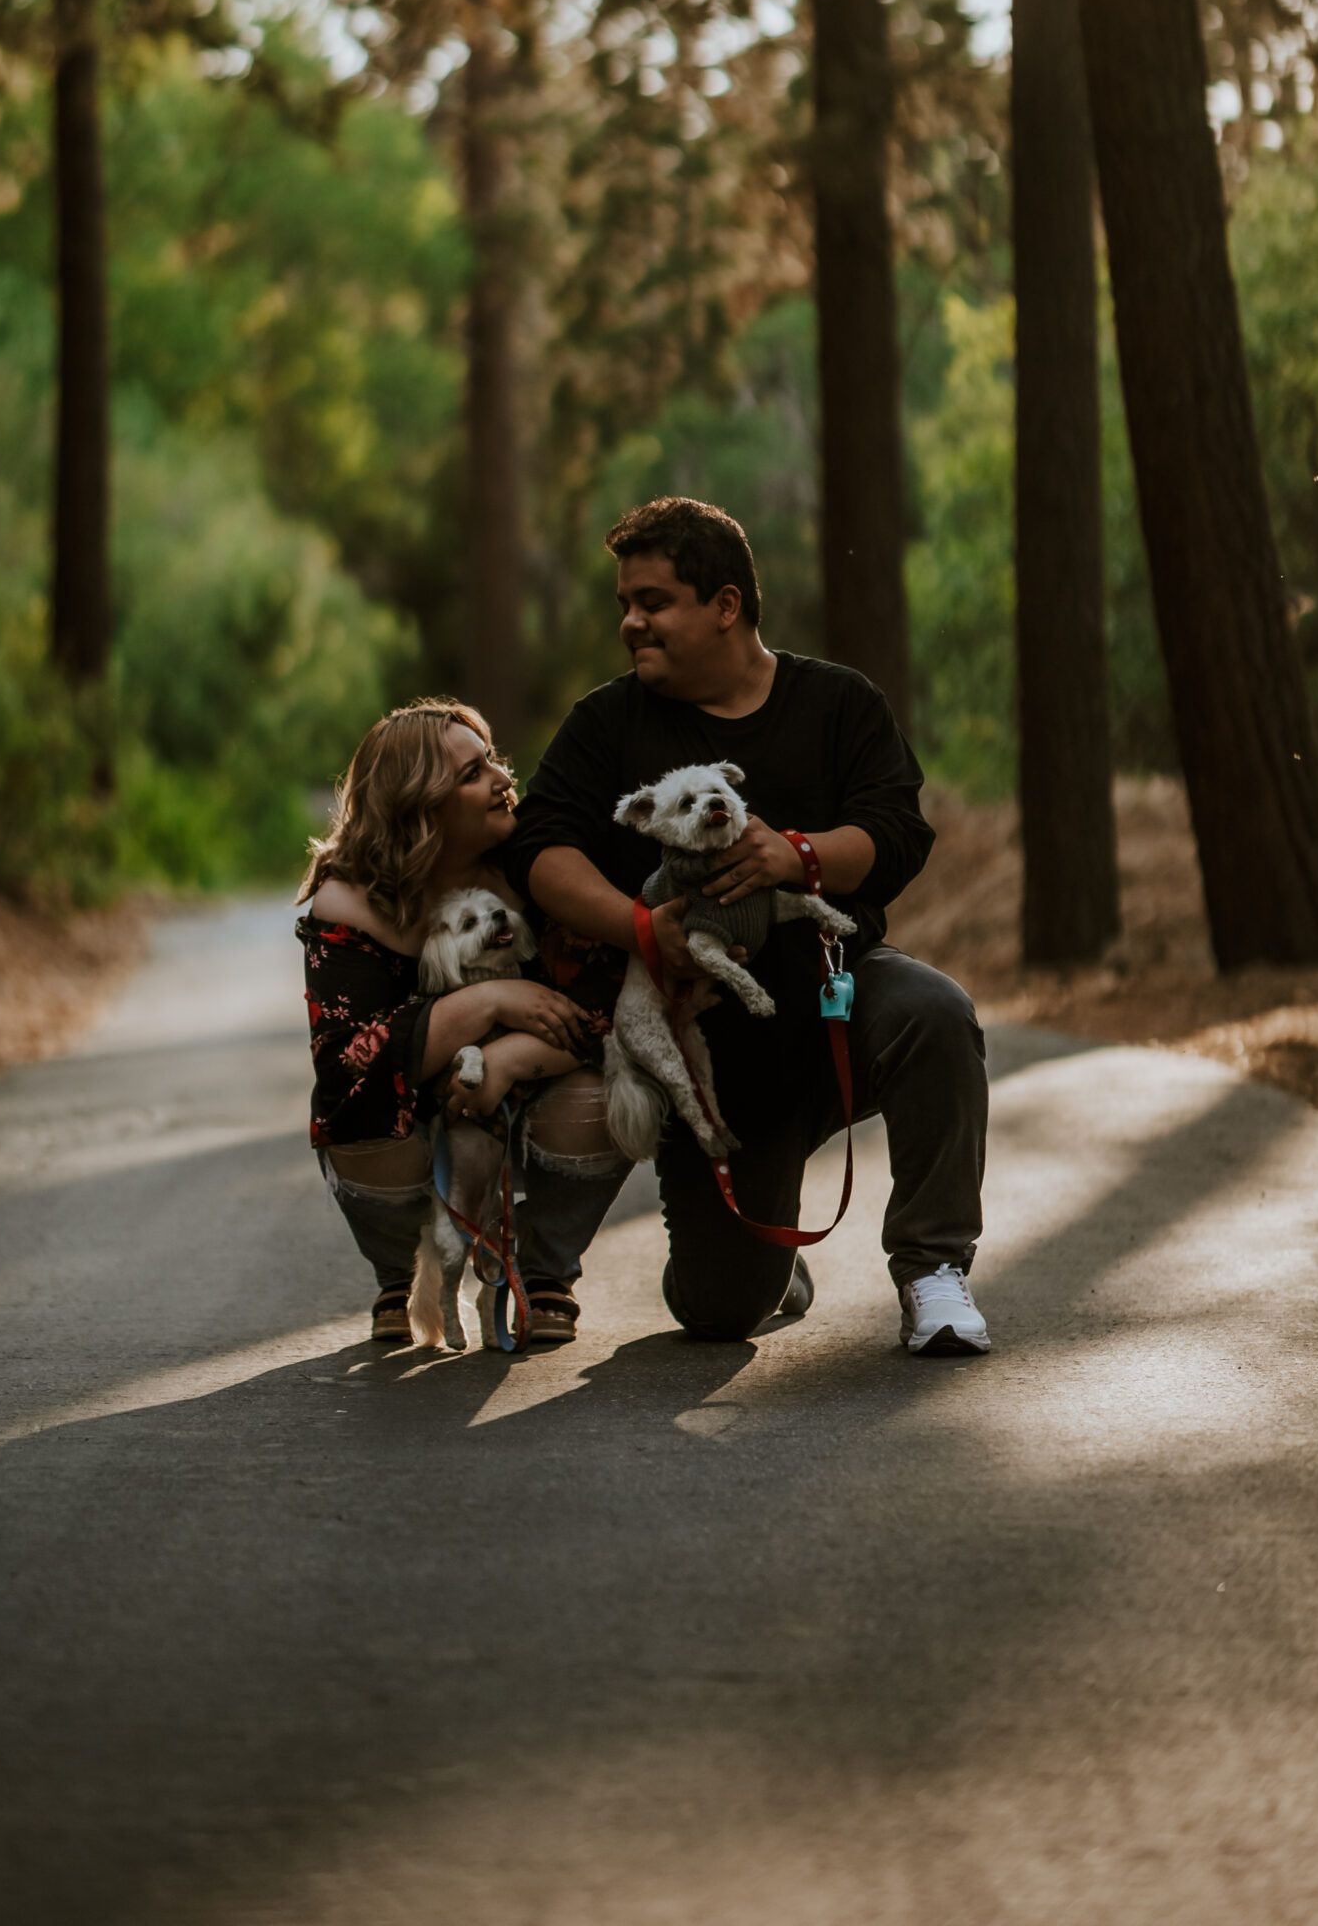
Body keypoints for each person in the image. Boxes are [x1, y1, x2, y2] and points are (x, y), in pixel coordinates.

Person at [503, 495, 990, 1354]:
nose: (631, 622)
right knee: (719, 1311)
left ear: (725, 605)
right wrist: (641, 929)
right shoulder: (607, 722)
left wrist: (794, 858)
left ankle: (932, 1272)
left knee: (934, 1011)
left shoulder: (838, 703)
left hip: (838, 1004)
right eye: (625, 603)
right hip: (716, 1058)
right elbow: (541, 850)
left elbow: (897, 832)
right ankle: (762, 1261)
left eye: (652, 602)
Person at [297, 699, 628, 1347]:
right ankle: (403, 1274)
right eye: (473, 773)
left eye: (494, 762)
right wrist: (485, 1004)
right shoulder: (347, 905)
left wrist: (506, 1060)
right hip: (420, 1116)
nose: (505, 780)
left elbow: (610, 1007)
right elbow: (346, 1070)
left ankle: (543, 1270)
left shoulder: (540, 864)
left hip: (535, 1094)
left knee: (608, 1090)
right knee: (360, 1119)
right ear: (419, 805)